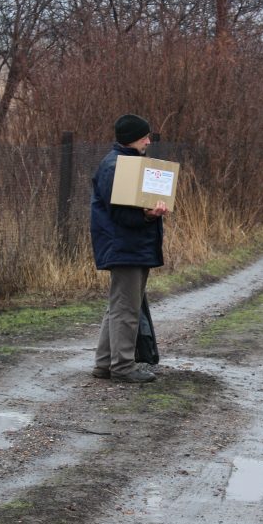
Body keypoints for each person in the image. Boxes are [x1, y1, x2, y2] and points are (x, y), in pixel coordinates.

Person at [90, 114, 169, 383]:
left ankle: (104, 364)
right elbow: (121, 215)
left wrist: (149, 214)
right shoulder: (117, 167)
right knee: (126, 308)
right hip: (125, 247)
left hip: (130, 246)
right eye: (145, 136)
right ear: (133, 138)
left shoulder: (126, 164)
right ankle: (122, 366)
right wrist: (149, 215)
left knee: (120, 306)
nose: (149, 140)